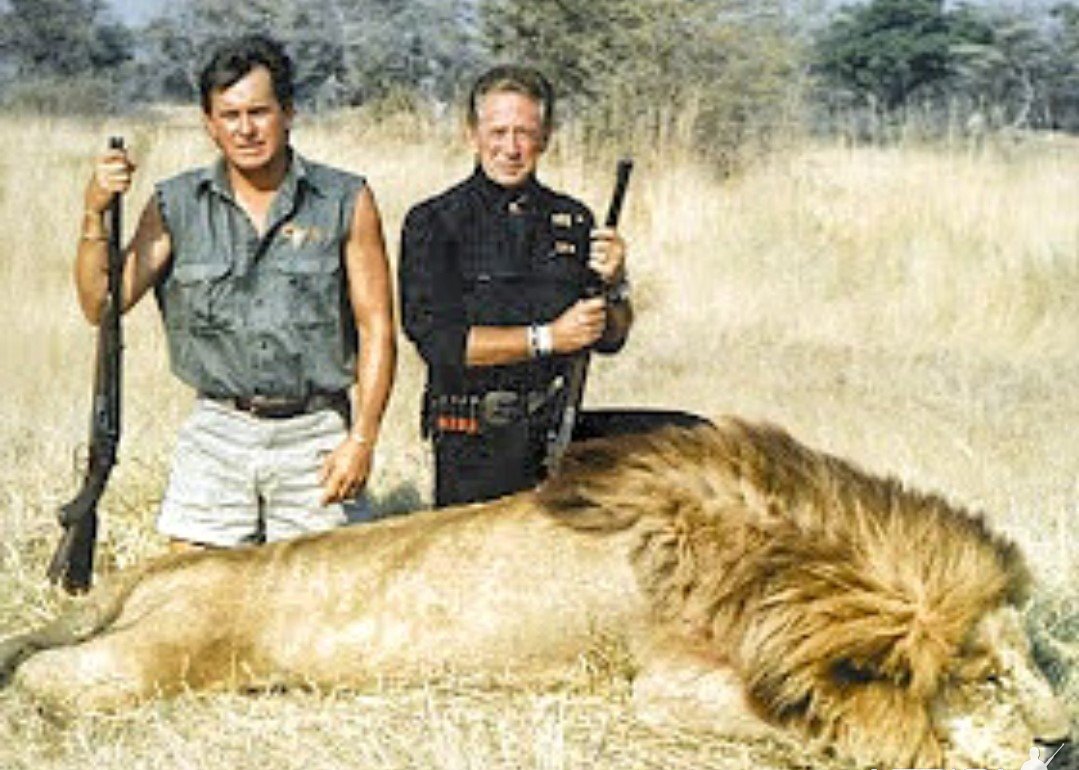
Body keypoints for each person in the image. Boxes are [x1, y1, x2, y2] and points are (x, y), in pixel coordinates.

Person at [76, 34, 396, 550]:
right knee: (190, 597)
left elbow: (376, 327)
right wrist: (94, 211)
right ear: (209, 124)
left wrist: (361, 439)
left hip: (316, 432)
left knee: (322, 604)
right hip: (218, 431)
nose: (245, 130)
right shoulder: (175, 204)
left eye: (259, 112)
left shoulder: (344, 199)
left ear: (288, 113)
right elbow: (100, 304)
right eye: (229, 115)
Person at [400, 65, 703, 507]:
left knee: (695, 439)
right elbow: (440, 343)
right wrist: (548, 339)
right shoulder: (433, 221)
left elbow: (612, 338)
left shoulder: (573, 219)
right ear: (472, 134)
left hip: (556, 430)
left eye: (524, 133)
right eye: (498, 132)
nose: (511, 147)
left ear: (544, 138)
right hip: (474, 441)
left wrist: (616, 284)